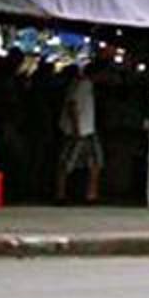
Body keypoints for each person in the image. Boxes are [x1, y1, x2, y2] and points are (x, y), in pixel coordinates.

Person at [56, 63, 103, 205]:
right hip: (78, 130)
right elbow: (73, 105)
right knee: (66, 162)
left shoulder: (85, 85)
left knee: (95, 162)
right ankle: (60, 194)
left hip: (87, 129)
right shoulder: (83, 85)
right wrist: (76, 127)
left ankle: (91, 194)